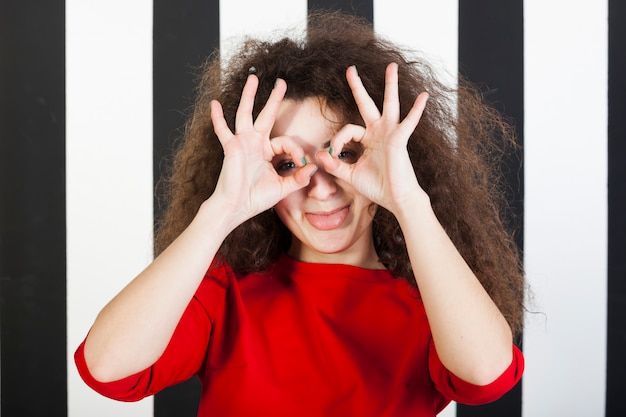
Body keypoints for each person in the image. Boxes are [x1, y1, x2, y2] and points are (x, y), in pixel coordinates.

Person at [75, 11, 525, 416]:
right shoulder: (224, 289)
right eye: (288, 164)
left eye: (346, 154)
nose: (320, 187)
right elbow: (108, 369)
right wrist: (222, 209)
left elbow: (487, 376)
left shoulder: (432, 295)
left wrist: (408, 199)